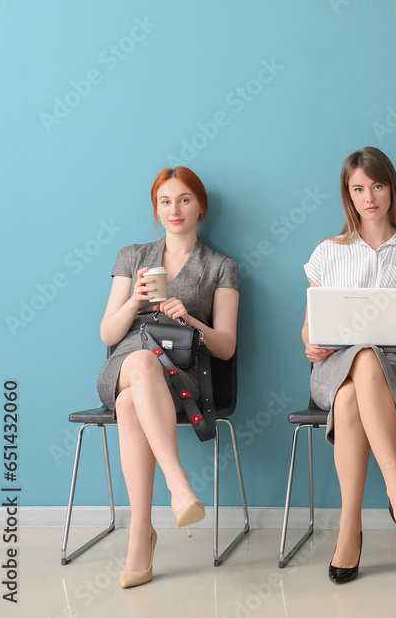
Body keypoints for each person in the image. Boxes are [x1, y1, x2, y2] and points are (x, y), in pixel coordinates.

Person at [301, 146, 396, 584]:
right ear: (348, 194)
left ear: (391, 189)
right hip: (334, 368)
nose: (370, 197)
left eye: (377, 186)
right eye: (359, 188)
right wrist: (314, 346)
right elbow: (308, 328)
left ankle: (350, 530)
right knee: (356, 361)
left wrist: (383, 336)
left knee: (351, 394)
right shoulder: (328, 251)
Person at [98, 167, 239, 588]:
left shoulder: (221, 266)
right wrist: (134, 301)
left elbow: (226, 346)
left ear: (201, 207)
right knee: (139, 366)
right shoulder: (131, 256)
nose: (174, 209)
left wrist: (192, 319)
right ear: (155, 209)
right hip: (124, 363)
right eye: (165, 201)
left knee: (130, 404)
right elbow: (107, 333)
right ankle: (179, 487)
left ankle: (142, 534)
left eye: (184, 200)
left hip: (181, 374)